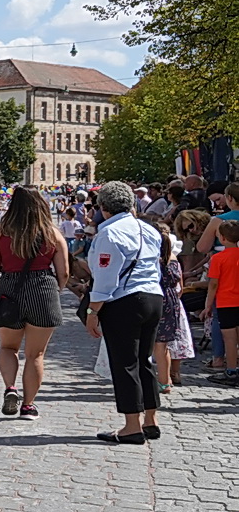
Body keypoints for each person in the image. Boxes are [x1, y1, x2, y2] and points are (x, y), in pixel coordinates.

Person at [85, 181, 164, 445]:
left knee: (125, 363)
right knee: (145, 360)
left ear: (103, 208)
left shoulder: (109, 234)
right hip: (153, 295)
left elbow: (106, 278)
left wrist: (93, 310)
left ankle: (132, 426)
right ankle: (151, 420)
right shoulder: (149, 229)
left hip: (126, 299)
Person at [0, 187, 69, 421]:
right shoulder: (52, 233)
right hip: (43, 288)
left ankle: (10, 388)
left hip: (9, 288)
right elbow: (63, 271)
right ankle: (28, 406)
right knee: (35, 354)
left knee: (7, 347)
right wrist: (57, 290)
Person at [203, 220, 239, 387]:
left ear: (222, 239)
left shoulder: (218, 258)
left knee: (230, 339)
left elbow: (213, 284)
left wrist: (208, 305)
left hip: (226, 302)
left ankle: (231, 370)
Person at [155, 226, 192, 393]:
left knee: (150, 343)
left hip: (155, 298)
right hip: (172, 300)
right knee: (164, 345)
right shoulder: (174, 258)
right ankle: (166, 380)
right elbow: (180, 287)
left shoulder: (154, 260)